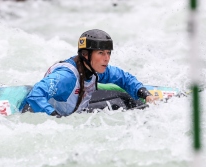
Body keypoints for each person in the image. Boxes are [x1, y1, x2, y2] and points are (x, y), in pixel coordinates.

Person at [20, 29, 159, 117]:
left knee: (125, 101)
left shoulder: (96, 69)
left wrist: (145, 95)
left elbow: (123, 78)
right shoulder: (66, 77)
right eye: (101, 53)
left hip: (77, 114)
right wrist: (56, 118)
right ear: (86, 55)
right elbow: (36, 94)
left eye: (108, 53)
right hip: (50, 116)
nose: (107, 58)